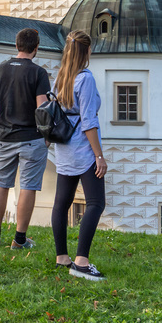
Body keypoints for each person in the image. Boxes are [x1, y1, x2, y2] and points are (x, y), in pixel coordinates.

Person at [0, 28, 51, 249]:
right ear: (36, 47)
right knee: (28, 186)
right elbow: (42, 108)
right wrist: (47, 136)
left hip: (5, 137)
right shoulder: (38, 73)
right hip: (32, 138)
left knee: (2, 183)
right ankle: (20, 240)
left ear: (16, 45)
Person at [50, 30, 108, 281]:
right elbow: (89, 121)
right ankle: (81, 262)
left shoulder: (61, 77)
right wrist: (99, 155)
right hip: (83, 148)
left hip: (63, 146)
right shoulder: (86, 79)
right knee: (96, 202)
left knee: (62, 202)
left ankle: (62, 256)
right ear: (86, 51)